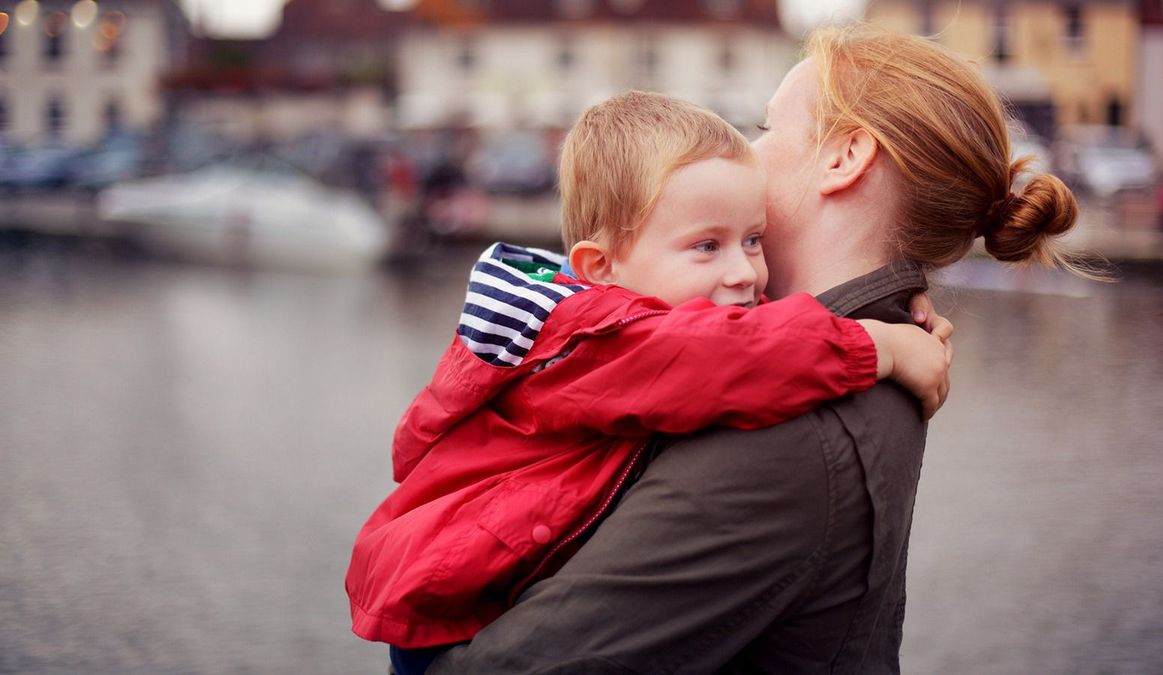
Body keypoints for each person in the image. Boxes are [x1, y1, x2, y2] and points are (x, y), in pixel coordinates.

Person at [429, 25, 1082, 674]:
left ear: (844, 157)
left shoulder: (785, 435)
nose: (748, 150)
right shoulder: (861, 350)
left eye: (768, 127)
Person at [345, 92, 953, 674]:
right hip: (451, 618)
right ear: (600, 268)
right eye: (706, 246)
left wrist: (891, 296)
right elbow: (726, 358)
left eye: (753, 239)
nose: (743, 272)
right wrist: (881, 345)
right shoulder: (594, 339)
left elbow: (755, 329)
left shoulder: (655, 307)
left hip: (489, 581)